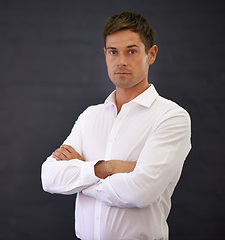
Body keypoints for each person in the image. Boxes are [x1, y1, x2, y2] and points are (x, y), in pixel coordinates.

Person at [41, 11, 191, 240]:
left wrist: (82, 176)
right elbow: (49, 177)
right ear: (105, 54)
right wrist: (106, 168)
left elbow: (141, 192)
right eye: (113, 52)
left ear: (151, 54)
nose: (121, 61)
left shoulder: (171, 117)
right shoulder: (90, 116)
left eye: (131, 51)